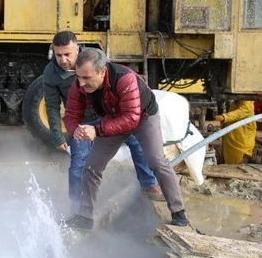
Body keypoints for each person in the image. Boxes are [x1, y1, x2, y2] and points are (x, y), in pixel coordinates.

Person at [62, 48, 188, 230]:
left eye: (87, 78)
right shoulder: (79, 85)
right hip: (112, 118)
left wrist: (97, 130)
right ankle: (85, 217)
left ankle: (178, 211)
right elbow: (71, 114)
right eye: (79, 77)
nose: (82, 84)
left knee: (156, 161)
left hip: (143, 117)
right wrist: (74, 130)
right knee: (91, 166)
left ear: (102, 71)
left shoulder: (124, 78)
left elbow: (131, 119)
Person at [42, 31, 164, 214]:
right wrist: (57, 135)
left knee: (137, 144)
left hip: (109, 114)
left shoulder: (95, 57)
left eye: (67, 54)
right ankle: (76, 206)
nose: (63, 60)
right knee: (77, 166)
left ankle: (148, 184)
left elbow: (114, 80)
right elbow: (52, 105)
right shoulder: (51, 73)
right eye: (58, 55)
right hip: (83, 121)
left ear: (77, 48)